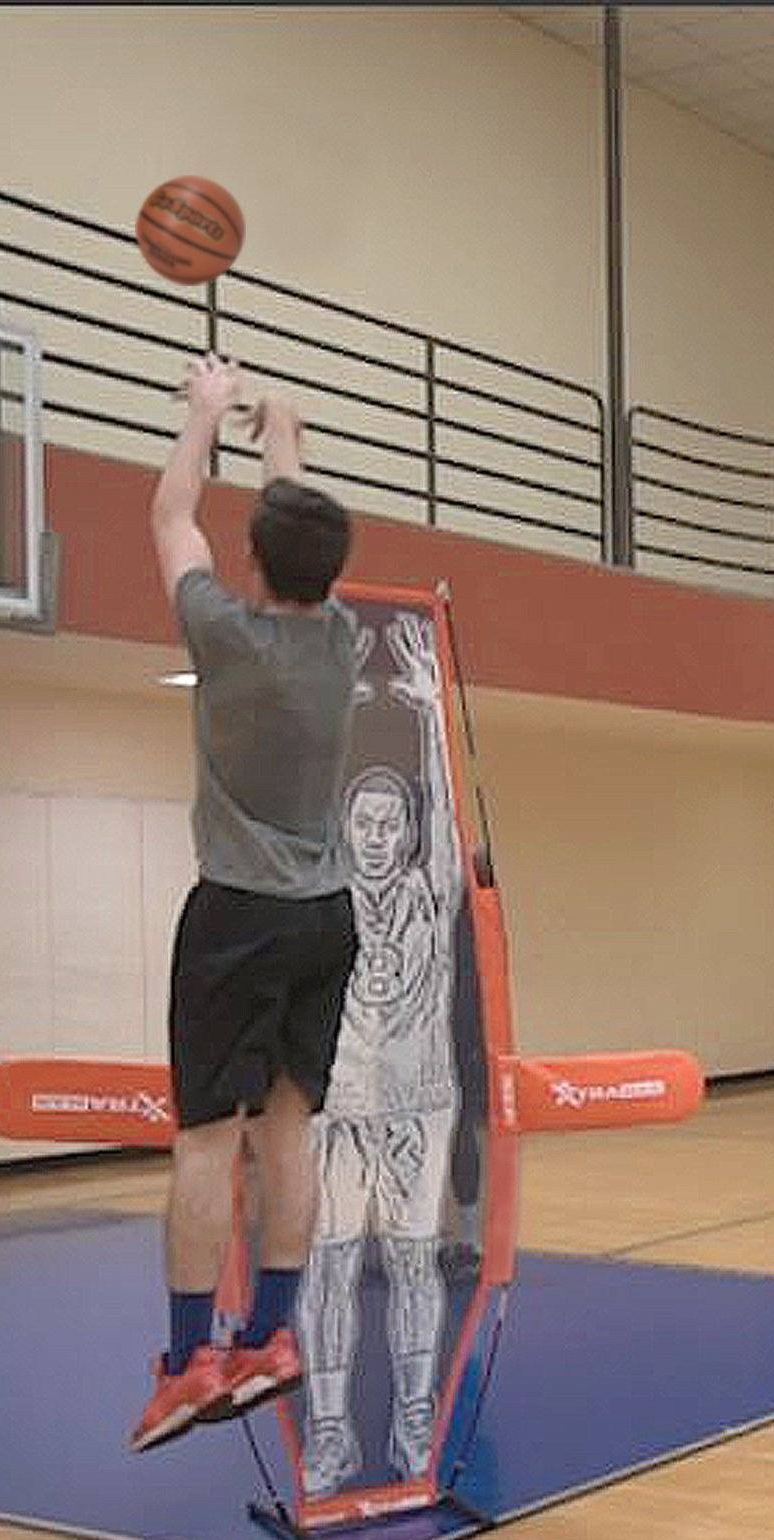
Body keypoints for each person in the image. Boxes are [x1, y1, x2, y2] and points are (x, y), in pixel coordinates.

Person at [132, 354, 362, 1452]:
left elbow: (173, 513)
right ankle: (272, 1337)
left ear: (256, 561)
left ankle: (186, 1364)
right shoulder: (342, 639)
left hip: (236, 913)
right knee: (289, 1132)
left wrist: (202, 416)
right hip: (328, 920)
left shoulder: (224, 636)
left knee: (203, 1145)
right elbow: (300, 537)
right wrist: (285, 440)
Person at [296, 611, 466, 1495]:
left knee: (410, 1261)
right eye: (359, 819)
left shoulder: (428, 894)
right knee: (327, 1261)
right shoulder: (324, 891)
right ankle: (327, 1427)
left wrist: (434, 715)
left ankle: (409, 1410)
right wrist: (329, 705)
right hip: (339, 1106)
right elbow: (308, 811)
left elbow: (449, 819)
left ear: (404, 831)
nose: (371, 833)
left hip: (415, 1099)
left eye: (386, 820)